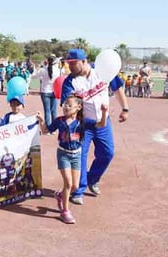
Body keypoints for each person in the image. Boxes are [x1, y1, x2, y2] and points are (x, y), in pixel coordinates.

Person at [61, 48, 129, 205]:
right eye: (68, 63)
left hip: (103, 122)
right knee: (80, 156)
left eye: (73, 63)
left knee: (107, 153)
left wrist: (125, 108)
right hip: (83, 125)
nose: (70, 67)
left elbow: (118, 88)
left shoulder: (102, 70)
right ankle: (78, 191)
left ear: (84, 61)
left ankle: (92, 179)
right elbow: (67, 104)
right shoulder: (70, 82)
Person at [37, 94, 108, 223]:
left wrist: (104, 112)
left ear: (79, 107)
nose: (66, 107)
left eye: (70, 105)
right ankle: (65, 211)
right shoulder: (60, 121)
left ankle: (60, 195)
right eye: (65, 105)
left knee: (75, 186)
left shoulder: (83, 122)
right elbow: (46, 130)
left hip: (76, 155)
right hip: (63, 154)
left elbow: (101, 125)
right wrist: (42, 120)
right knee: (68, 183)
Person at [31, 54, 61, 130]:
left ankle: (48, 128)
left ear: (47, 61)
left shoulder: (43, 70)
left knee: (47, 111)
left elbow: (34, 76)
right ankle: (54, 128)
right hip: (54, 92)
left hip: (45, 92)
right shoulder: (58, 70)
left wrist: (35, 68)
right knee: (54, 110)